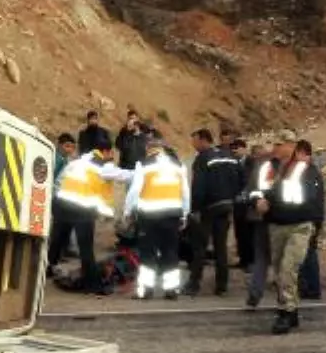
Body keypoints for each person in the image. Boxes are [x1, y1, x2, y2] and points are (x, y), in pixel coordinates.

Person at [254, 129, 326, 335]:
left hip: (299, 226)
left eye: (280, 144)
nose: (275, 148)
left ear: (291, 146)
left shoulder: (308, 171)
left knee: (288, 269)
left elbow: (315, 202)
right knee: (279, 271)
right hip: (276, 225)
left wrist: (315, 229)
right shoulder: (275, 169)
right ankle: (290, 310)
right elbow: (267, 191)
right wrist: (260, 201)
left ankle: (286, 312)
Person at [48, 133, 134, 294]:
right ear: (106, 152)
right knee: (86, 249)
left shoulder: (77, 162)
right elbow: (125, 175)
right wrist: (142, 172)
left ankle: (45, 272)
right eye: (111, 153)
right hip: (82, 209)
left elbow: (59, 180)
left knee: (56, 242)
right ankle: (93, 285)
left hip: (62, 204)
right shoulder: (103, 166)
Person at [124, 134, 190, 299]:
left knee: (148, 253)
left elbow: (134, 191)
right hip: (172, 214)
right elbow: (185, 193)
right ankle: (171, 290)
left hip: (149, 216)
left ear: (148, 149)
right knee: (171, 252)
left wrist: (128, 212)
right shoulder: (178, 165)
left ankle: (146, 290)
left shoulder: (144, 164)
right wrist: (185, 213)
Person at [185, 128, 243, 297]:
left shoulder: (203, 159)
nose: (193, 145)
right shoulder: (229, 156)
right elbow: (241, 178)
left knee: (200, 248)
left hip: (208, 208)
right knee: (220, 248)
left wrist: (194, 209)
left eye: (195, 141)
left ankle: (194, 284)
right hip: (226, 206)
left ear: (204, 140)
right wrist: (234, 197)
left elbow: (198, 187)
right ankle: (221, 286)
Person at [244, 142, 279, 309]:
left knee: (262, 258)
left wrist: (257, 202)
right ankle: (282, 295)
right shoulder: (282, 168)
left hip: (266, 218)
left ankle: (256, 292)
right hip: (274, 220)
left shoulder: (262, 166)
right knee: (273, 258)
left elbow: (252, 191)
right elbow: (253, 191)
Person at [296, 140, 324, 300]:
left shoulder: (309, 173)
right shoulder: (310, 172)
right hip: (312, 218)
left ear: (304, 154)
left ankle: (312, 288)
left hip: (310, 218)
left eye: (298, 154)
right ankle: (308, 286)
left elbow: (310, 199)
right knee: (306, 253)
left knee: (309, 254)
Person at [228, 138, 254, 270]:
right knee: (239, 232)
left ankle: (250, 261)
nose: (234, 151)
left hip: (248, 202)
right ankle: (243, 259)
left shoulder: (251, 162)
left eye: (237, 149)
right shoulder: (234, 163)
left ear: (244, 148)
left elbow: (251, 180)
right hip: (237, 202)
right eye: (233, 149)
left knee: (248, 233)